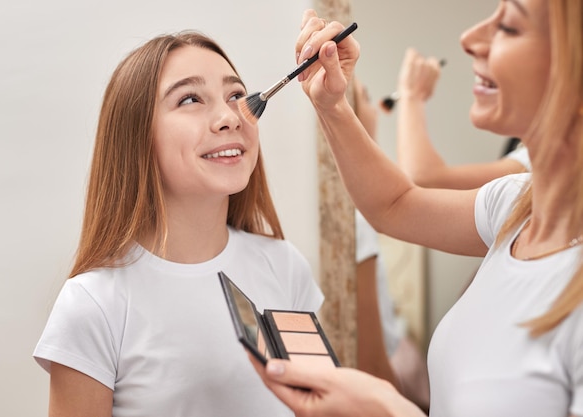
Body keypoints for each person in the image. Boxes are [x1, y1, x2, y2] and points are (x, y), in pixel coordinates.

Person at [250, 3, 583, 417]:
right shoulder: (516, 206)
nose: (469, 39)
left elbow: (418, 180)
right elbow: (394, 204)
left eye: (510, 27)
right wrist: (332, 105)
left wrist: (390, 410)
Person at [32, 31, 324, 417]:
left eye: (236, 95)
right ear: (137, 137)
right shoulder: (93, 303)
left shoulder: (285, 267)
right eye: (190, 99)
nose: (229, 117)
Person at [353, 77, 430, 412]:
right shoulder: (355, 223)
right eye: (366, 97)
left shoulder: (360, 216)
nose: (376, 108)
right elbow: (372, 366)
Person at [395, 47, 530, 189]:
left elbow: (424, 178)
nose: (467, 41)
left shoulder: (543, 158)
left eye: (510, 31)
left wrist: (412, 95)